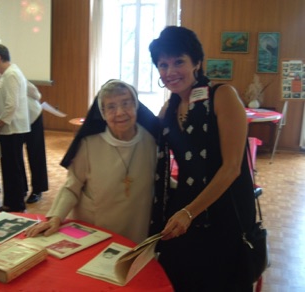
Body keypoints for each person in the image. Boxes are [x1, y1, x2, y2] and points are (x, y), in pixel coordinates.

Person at [149, 26, 257, 292]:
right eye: (163, 65)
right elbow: (144, 138)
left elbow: (232, 168)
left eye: (178, 61)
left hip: (224, 208)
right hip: (185, 204)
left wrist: (189, 212)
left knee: (219, 280)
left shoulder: (223, 96)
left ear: (196, 62)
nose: (170, 71)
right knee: (181, 277)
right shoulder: (169, 107)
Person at [25, 79, 159, 243]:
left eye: (126, 103)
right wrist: (56, 217)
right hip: (97, 230)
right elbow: (72, 186)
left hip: (137, 229)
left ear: (136, 105)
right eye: (111, 107)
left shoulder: (151, 140)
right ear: (102, 113)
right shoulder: (89, 143)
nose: (120, 112)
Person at [0, 44, 30, 213]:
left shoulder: (11, 74)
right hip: (10, 128)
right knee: (10, 167)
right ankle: (12, 202)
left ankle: (15, 205)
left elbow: (11, 105)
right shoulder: (8, 74)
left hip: (12, 129)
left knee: (11, 168)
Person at [23, 81, 49, 204]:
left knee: (35, 153)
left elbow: (36, 94)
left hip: (32, 116)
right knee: (15, 156)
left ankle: (37, 189)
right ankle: (21, 188)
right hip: (16, 120)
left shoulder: (14, 74)